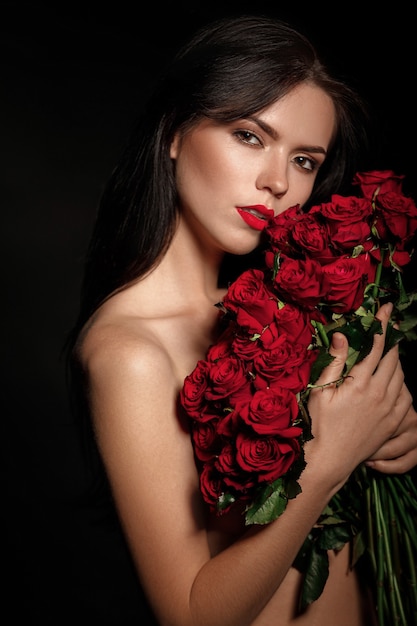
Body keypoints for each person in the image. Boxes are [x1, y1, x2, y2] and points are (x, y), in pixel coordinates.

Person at [66, 14, 417, 626]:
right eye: (250, 136)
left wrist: (387, 434)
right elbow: (191, 615)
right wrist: (332, 457)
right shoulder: (131, 352)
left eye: (305, 160)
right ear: (175, 131)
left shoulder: (274, 306)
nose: (277, 182)